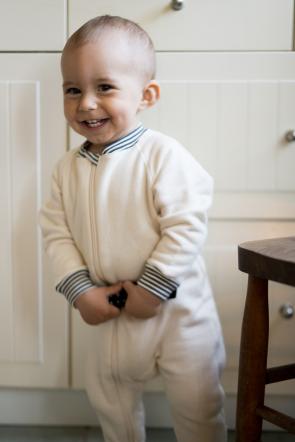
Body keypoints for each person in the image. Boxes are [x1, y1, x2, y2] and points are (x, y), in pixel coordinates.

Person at [39, 15, 227, 442]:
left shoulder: (163, 156)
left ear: (146, 95)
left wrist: (150, 289)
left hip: (177, 312)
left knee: (198, 405)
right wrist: (81, 290)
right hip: (110, 309)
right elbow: (56, 233)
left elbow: (186, 224)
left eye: (104, 87)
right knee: (111, 402)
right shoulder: (66, 170)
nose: (86, 103)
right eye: (73, 90)